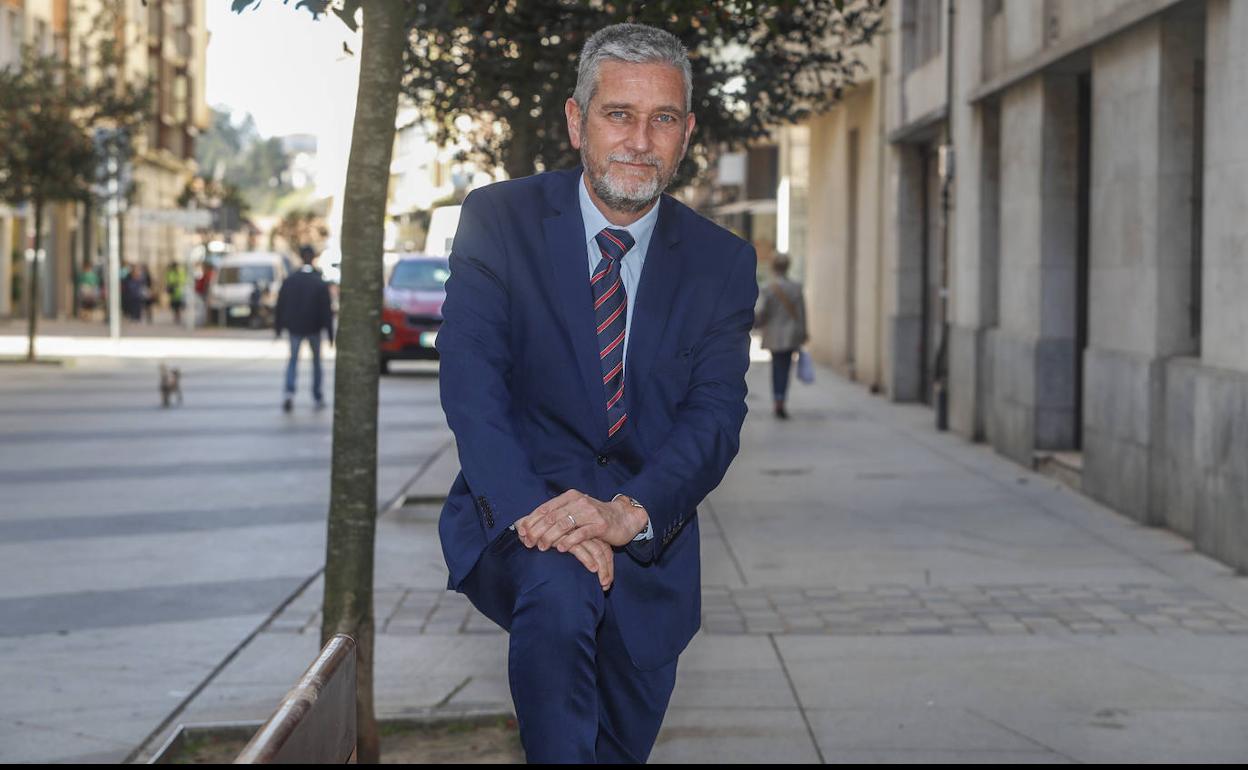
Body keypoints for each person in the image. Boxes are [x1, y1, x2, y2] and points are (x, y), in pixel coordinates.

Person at [436, 23, 757, 763]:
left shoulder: (721, 263)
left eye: (663, 119)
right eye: (619, 114)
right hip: (524, 520)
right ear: (578, 120)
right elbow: (471, 384)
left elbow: (714, 418)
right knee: (557, 592)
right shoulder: (499, 221)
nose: (640, 140)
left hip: (651, 549)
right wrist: (543, 522)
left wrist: (625, 514)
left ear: (686, 132)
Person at [274, 245, 334, 412]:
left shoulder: (291, 280)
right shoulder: (319, 281)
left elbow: (281, 305)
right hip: (313, 328)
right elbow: (326, 311)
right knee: (316, 363)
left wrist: (278, 327)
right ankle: (317, 395)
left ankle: (289, 392)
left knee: (293, 360)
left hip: (295, 327)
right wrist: (330, 334)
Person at [754, 253, 808, 419]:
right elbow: (801, 313)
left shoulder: (768, 288)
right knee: (785, 368)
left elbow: (761, 311)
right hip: (791, 334)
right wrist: (804, 332)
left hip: (774, 333)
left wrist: (756, 324)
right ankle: (781, 399)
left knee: (777, 367)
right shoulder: (796, 287)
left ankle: (777, 400)